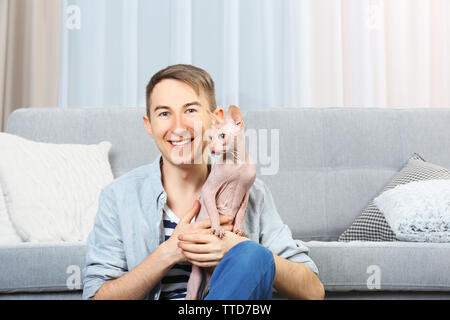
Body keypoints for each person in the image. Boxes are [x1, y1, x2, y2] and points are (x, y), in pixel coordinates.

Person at [82, 64, 324, 300]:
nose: (178, 127)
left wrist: (235, 248)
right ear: (149, 124)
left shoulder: (253, 192)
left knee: (252, 254)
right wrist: (169, 253)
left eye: (190, 110)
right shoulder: (119, 196)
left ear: (217, 119)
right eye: (164, 113)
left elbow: (313, 291)